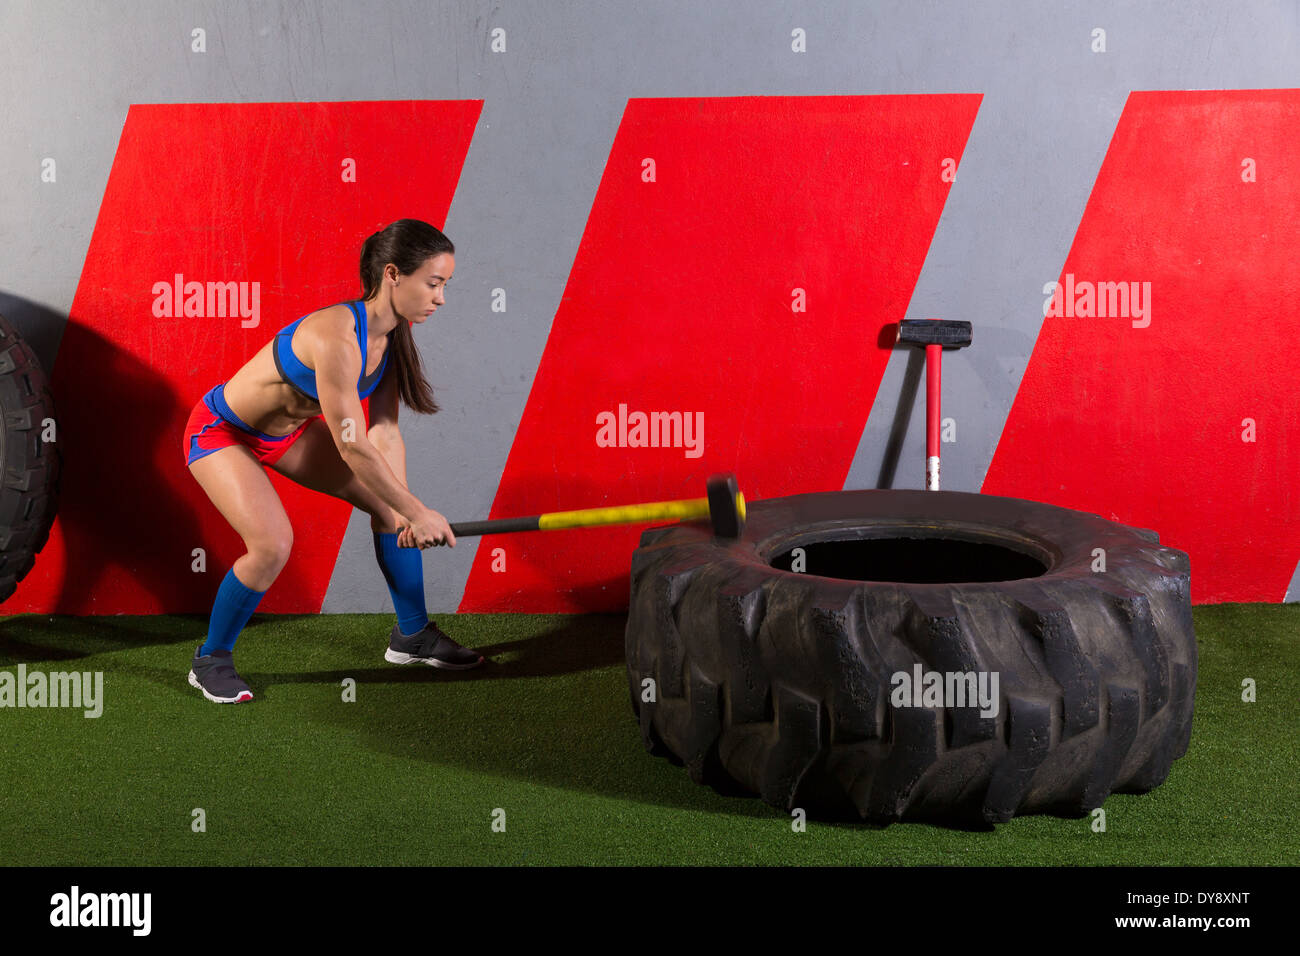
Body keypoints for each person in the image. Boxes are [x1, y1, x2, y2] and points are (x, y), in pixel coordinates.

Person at [180, 219, 484, 703]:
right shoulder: (336, 335)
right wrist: (418, 511)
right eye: (433, 283)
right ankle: (211, 658)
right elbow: (351, 442)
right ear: (392, 275)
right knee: (272, 544)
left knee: (389, 511)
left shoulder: (392, 340)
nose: (440, 298)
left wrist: (406, 510)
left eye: (444, 285)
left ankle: (412, 637)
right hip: (224, 431)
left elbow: (385, 430)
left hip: (287, 434)